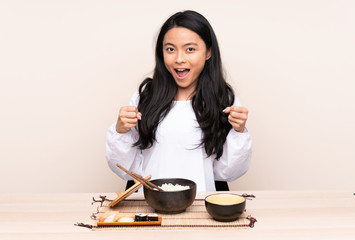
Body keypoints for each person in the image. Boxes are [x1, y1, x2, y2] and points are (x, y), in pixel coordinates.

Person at [106, 10, 252, 192]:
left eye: (190, 49)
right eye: (170, 49)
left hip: (202, 206)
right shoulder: (145, 96)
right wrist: (120, 131)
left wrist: (239, 131)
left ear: (208, 52)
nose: (179, 59)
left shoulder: (224, 99)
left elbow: (228, 173)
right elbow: (128, 169)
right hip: (151, 205)